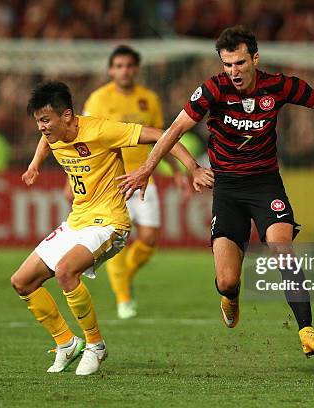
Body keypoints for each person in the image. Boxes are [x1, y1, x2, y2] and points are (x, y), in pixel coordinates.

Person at [118, 26, 314, 357]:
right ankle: (230, 297)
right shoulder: (212, 90)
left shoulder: (278, 86)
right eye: (227, 64)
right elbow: (175, 129)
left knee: (282, 248)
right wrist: (153, 169)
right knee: (228, 280)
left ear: (255, 58)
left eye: (239, 63)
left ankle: (307, 330)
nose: (233, 71)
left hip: (265, 185)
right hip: (228, 189)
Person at [10, 81, 205, 375]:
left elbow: (162, 136)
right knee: (22, 281)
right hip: (77, 220)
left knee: (65, 270)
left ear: (67, 116)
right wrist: (35, 164)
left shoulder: (102, 130)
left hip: (110, 222)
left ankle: (95, 345)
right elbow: (46, 141)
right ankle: (66, 343)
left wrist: (193, 168)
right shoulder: (54, 133)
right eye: (38, 121)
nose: (41, 128)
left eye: (46, 120)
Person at [80, 45, 186, 319]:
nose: (124, 70)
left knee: (149, 239)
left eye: (129, 65)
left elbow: (163, 138)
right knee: (116, 236)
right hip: (111, 180)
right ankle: (124, 298)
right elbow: (83, 140)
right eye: (119, 66)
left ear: (136, 69)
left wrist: (174, 170)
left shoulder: (148, 99)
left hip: (144, 178)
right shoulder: (98, 99)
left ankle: (123, 276)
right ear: (110, 70)